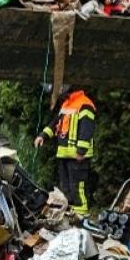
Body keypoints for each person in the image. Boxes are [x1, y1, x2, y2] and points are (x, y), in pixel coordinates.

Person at [34, 86, 96, 215]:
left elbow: (87, 129)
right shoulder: (67, 103)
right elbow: (56, 123)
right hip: (64, 154)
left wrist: (81, 151)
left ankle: (81, 215)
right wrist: (43, 136)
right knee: (65, 187)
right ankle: (69, 214)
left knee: (78, 187)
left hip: (77, 156)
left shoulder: (85, 104)